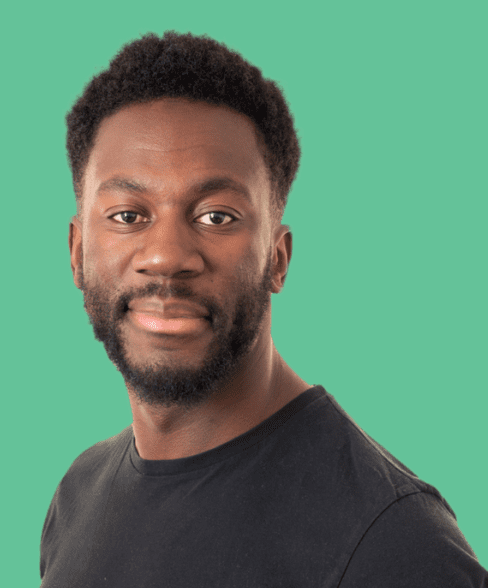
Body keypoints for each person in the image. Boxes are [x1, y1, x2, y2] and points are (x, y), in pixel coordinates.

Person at [40, 31, 487, 587]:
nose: (166, 256)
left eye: (216, 217)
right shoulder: (77, 496)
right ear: (77, 251)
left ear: (277, 258)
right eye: (128, 216)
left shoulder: (393, 542)